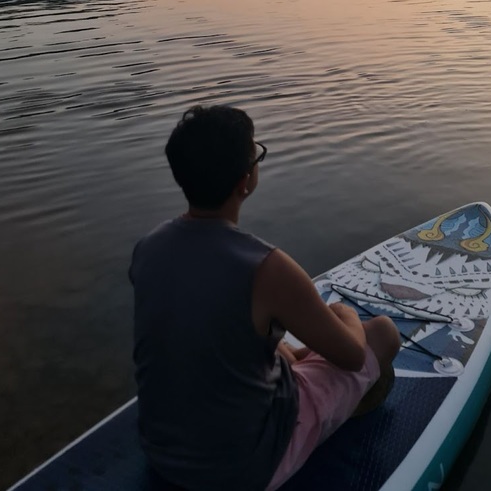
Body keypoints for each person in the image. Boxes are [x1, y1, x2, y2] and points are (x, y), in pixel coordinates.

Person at [129, 105, 400, 491]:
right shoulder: (268, 268)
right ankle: (332, 419)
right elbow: (353, 355)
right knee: (383, 335)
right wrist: (343, 314)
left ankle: (301, 367)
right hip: (243, 469)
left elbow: (202, 321)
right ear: (246, 180)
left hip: (162, 452)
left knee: (278, 348)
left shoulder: (147, 248)